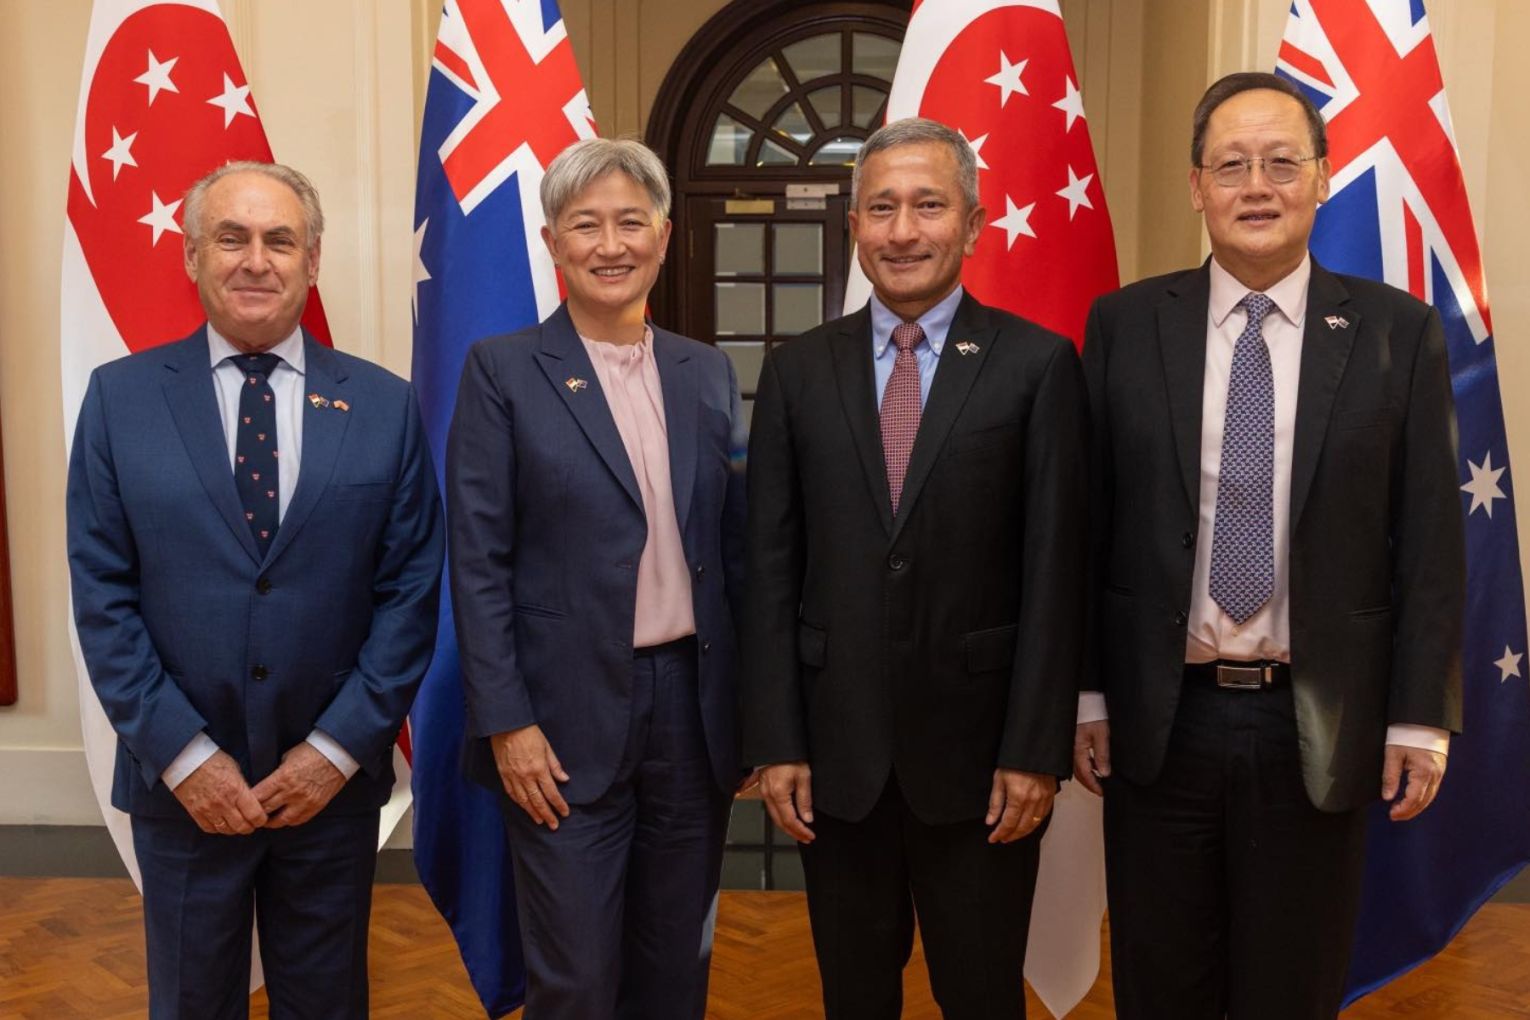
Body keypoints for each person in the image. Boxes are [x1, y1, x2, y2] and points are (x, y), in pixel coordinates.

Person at [1074, 72, 1465, 1019]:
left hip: (1319, 722)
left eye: (1283, 163)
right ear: (1196, 185)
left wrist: (1419, 717)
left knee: (1292, 986)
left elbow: (1428, 541)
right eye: (1232, 164)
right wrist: (1086, 692)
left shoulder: (1394, 331)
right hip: (1161, 722)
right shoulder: (1126, 324)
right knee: (1163, 985)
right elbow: (1087, 529)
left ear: (1323, 180)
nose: (1258, 185)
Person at [66, 161, 444, 1019]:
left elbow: (411, 592)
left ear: (314, 262)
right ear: (192, 256)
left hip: (329, 790)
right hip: (184, 792)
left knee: (327, 1003)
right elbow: (103, 596)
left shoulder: (384, 406)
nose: (256, 260)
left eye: (281, 240)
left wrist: (336, 750)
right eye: (231, 238)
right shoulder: (120, 401)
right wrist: (186, 758)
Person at [741, 117, 1088, 1019]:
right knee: (854, 996)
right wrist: (777, 739)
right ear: (853, 225)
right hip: (835, 760)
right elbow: (770, 566)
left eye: (928, 206)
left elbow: (1057, 573)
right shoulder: (797, 372)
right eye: (882, 208)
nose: (904, 231)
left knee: (980, 996)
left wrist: (1033, 750)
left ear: (973, 224)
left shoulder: (1037, 366)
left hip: (983, 770)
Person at [446, 137, 747, 1019]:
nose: (610, 244)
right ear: (552, 243)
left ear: (661, 235)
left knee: (674, 971)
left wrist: (753, 716)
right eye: (586, 225)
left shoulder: (708, 371)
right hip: (559, 720)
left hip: (692, 716)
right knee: (575, 980)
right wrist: (508, 724)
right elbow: (479, 560)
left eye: (629, 222)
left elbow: (729, 551)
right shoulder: (502, 371)